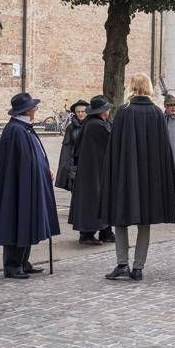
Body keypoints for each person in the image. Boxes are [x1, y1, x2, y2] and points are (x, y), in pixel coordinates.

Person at [100, 73, 175, 282]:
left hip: (126, 176)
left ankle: (122, 263)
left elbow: (114, 148)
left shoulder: (124, 113)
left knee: (120, 219)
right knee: (145, 221)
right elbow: (164, 150)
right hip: (150, 178)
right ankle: (138, 267)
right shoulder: (156, 113)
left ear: (132, 87)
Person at [0, 93, 61, 279]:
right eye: (34, 108)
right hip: (18, 186)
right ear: (27, 110)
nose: (36, 110)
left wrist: (44, 169)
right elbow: (21, 162)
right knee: (16, 220)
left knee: (27, 221)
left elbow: (34, 156)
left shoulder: (24, 128)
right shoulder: (16, 130)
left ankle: (23, 261)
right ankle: (13, 265)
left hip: (29, 182)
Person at [68, 95, 115, 245]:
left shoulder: (93, 123)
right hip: (93, 171)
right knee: (93, 201)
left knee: (100, 199)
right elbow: (111, 142)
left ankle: (105, 231)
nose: (108, 112)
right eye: (107, 110)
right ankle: (88, 234)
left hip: (94, 169)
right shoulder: (96, 125)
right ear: (102, 111)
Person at [55, 99, 88, 192]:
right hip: (75, 164)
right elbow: (66, 150)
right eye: (78, 112)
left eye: (83, 111)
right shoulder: (70, 128)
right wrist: (67, 169)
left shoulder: (91, 125)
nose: (81, 114)